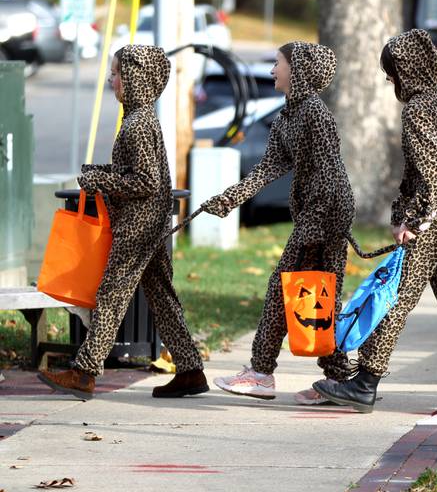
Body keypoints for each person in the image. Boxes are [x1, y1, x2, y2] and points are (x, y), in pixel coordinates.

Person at [312, 29, 437, 414]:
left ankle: (366, 381)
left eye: (391, 72)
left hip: (435, 220)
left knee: (395, 296)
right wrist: (401, 210)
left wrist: (416, 219)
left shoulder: (418, 108)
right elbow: (421, 170)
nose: (390, 80)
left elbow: (433, 168)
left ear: (406, 70)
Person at [39, 45, 208, 400]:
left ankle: (84, 372)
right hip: (151, 225)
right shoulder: (141, 119)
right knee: (162, 298)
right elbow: (142, 175)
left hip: (137, 227)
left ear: (133, 77)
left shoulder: (137, 125)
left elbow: (144, 181)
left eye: (116, 73)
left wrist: (100, 182)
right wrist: (100, 172)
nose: (111, 80)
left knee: (111, 297)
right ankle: (191, 370)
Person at [203, 42, 354, 405]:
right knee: (318, 295)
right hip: (315, 213)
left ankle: (260, 373)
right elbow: (269, 166)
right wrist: (230, 198)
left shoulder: (314, 113)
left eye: (277, 64)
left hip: (327, 211)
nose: (272, 71)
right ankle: (340, 380)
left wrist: (315, 226)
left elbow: (329, 173)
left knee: (283, 287)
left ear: (297, 69)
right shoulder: (288, 115)